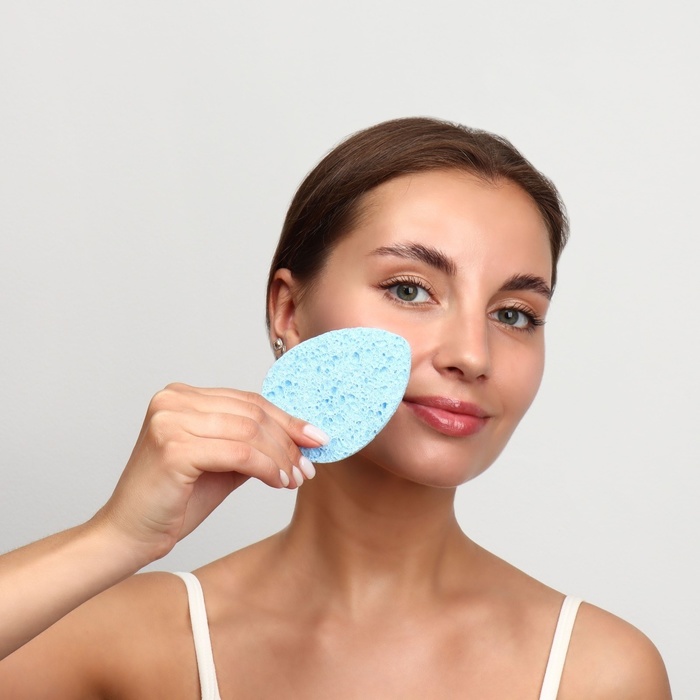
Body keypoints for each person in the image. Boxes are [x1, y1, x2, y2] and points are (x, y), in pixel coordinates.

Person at [0, 117, 671, 698]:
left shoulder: (598, 672)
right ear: (288, 311)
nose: (473, 354)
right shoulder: (132, 642)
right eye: (408, 289)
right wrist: (117, 537)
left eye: (515, 313)